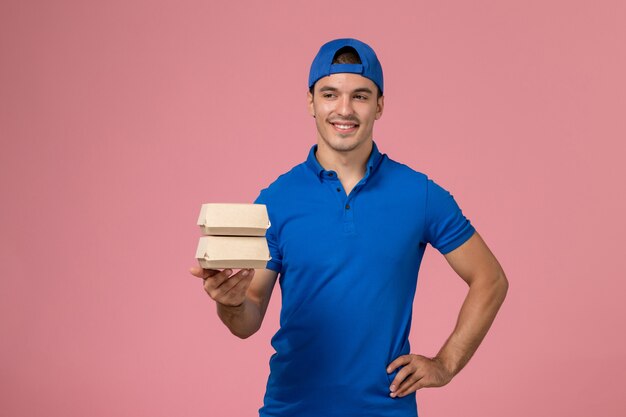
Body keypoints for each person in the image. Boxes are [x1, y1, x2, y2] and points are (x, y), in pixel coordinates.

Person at [190, 38, 508, 417]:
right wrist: (231, 302)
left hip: (386, 410)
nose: (344, 109)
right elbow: (248, 319)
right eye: (330, 94)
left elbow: (490, 279)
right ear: (311, 102)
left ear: (380, 105)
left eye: (360, 95)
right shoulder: (275, 200)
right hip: (292, 408)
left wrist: (446, 363)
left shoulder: (420, 195)